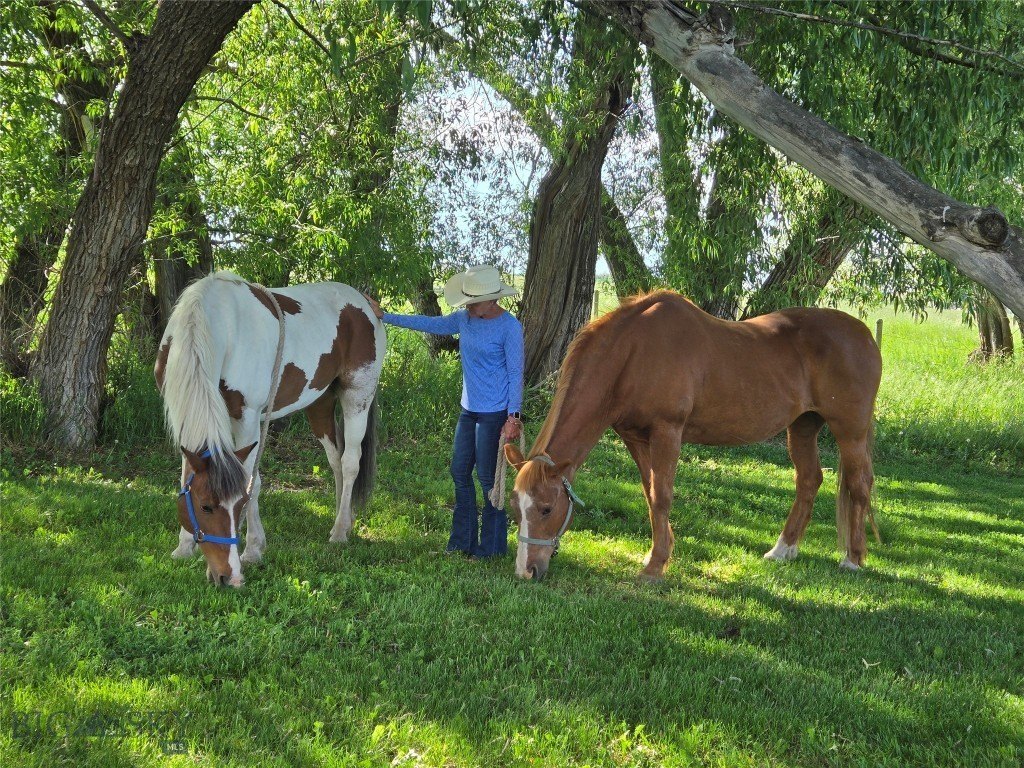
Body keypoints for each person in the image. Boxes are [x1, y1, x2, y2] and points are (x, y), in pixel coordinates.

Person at [365, 264, 524, 558]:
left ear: (493, 300)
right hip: (469, 411)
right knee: (459, 471)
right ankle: (461, 542)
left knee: (489, 480)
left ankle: (491, 548)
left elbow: (515, 372)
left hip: (495, 414)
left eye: (474, 301)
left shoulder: (509, 327)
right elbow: (429, 324)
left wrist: (513, 417)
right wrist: (385, 316)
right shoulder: (465, 319)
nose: (470, 306)